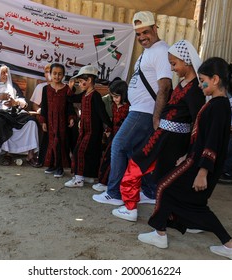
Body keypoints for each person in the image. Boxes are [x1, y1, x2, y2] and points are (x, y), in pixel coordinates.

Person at [138, 57, 232, 260]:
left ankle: (160, 234)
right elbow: (203, 137)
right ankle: (231, 247)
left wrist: (203, 172)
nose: (200, 84)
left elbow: (212, 142)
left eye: (202, 80)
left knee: (164, 188)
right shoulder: (216, 104)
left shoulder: (219, 106)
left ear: (215, 79)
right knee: (189, 203)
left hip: (201, 166)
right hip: (195, 160)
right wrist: (187, 155)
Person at [109, 39, 206, 222]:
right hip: (164, 136)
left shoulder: (195, 90)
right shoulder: (184, 84)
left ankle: (131, 209)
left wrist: (189, 152)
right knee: (161, 176)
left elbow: (197, 124)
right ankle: (165, 213)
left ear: (186, 61)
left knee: (137, 165)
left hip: (172, 140)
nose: (171, 69)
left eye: (174, 64)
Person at [92, 11, 172, 204]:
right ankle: (149, 191)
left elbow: (165, 86)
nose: (142, 37)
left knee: (119, 145)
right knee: (136, 152)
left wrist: (156, 117)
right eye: (138, 34)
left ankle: (114, 193)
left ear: (155, 28)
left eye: (145, 32)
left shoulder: (161, 50)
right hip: (139, 109)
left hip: (144, 112)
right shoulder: (149, 51)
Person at [0, 64, 39, 166]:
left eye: (6, 72)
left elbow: (24, 103)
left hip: (15, 113)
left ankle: (31, 156)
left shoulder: (13, 86)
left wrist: (15, 102)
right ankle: (7, 154)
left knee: (31, 122)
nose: (6, 75)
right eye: (3, 73)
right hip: (0, 113)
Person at [64, 65, 112, 187]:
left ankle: (79, 179)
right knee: (88, 153)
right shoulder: (84, 94)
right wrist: (70, 88)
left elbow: (102, 114)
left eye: (81, 81)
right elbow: (70, 99)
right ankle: (89, 176)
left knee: (79, 152)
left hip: (93, 131)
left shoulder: (95, 96)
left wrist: (109, 127)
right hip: (84, 131)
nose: (79, 84)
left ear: (89, 80)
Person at [92, 80, 130, 192]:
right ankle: (104, 182)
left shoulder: (128, 108)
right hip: (113, 137)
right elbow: (113, 121)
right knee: (107, 159)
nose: (115, 99)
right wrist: (109, 129)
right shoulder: (114, 106)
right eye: (113, 97)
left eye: (117, 96)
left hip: (123, 139)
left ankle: (111, 184)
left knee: (117, 162)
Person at [39, 63, 76, 178]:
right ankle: (52, 165)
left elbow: (70, 106)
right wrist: (43, 121)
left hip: (62, 122)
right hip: (50, 121)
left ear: (63, 75)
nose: (57, 76)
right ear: (50, 74)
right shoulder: (46, 89)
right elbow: (44, 106)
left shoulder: (66, 89)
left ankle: (60, 167)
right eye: (54, 73)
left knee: (60, 143)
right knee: (51, 143)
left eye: (60, 74)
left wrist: (71, 118)